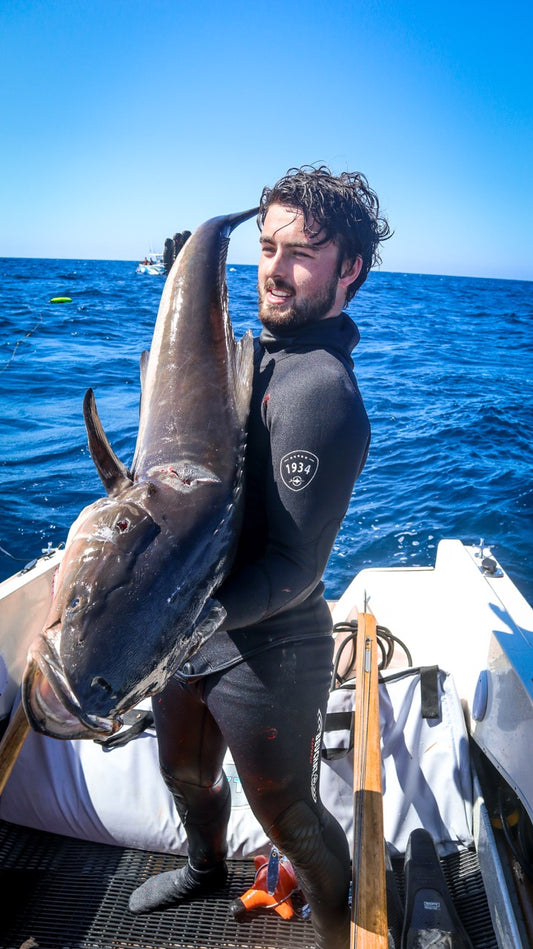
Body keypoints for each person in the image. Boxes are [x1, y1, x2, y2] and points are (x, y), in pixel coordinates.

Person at [129, 164, 391, 949]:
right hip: (190, 625)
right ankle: (207, 866)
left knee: (286, 813)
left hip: (270, 643)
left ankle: (338, 932)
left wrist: (191, 617)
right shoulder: (248, 353)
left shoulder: (322, 392)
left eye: (300, 252)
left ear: (349, 269)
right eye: (266, 247)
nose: (273, 269)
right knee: (183, 773)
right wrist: (182, 306)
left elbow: (294, 569)